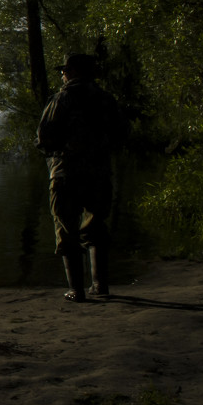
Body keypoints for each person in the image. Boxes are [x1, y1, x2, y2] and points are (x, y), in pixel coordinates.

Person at [36, 52, 126, 302]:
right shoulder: (106, 99)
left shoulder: (61, 99)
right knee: (96, 226)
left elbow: (44, 137)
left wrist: (56, 151)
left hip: (66, 173)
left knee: (66, 227)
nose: (62, 74)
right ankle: (100, 286)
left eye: (64, 70)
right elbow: (121, 133)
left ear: (73, 71)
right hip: (99, 173)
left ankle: (76, 289)